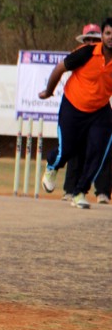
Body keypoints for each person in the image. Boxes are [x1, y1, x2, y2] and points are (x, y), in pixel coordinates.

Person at [40, 18, 112, 209]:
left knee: (98, 151)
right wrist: (48, 92)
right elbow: (59, 69)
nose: (111, 38)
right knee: (68, 149)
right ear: (103, 36)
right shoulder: (86, 53)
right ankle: (52, 166)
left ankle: (80, 192)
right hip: (73, 107)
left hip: (100, 111)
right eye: (108, 33)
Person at [62, 24, 112, 204]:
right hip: (79, 109)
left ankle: (103, 192)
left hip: (99, 110)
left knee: (101, 150)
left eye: (94, 40)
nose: (91, 43)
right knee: (74, 149)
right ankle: (70, 190)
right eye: (88, 40)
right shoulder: (82, 54)